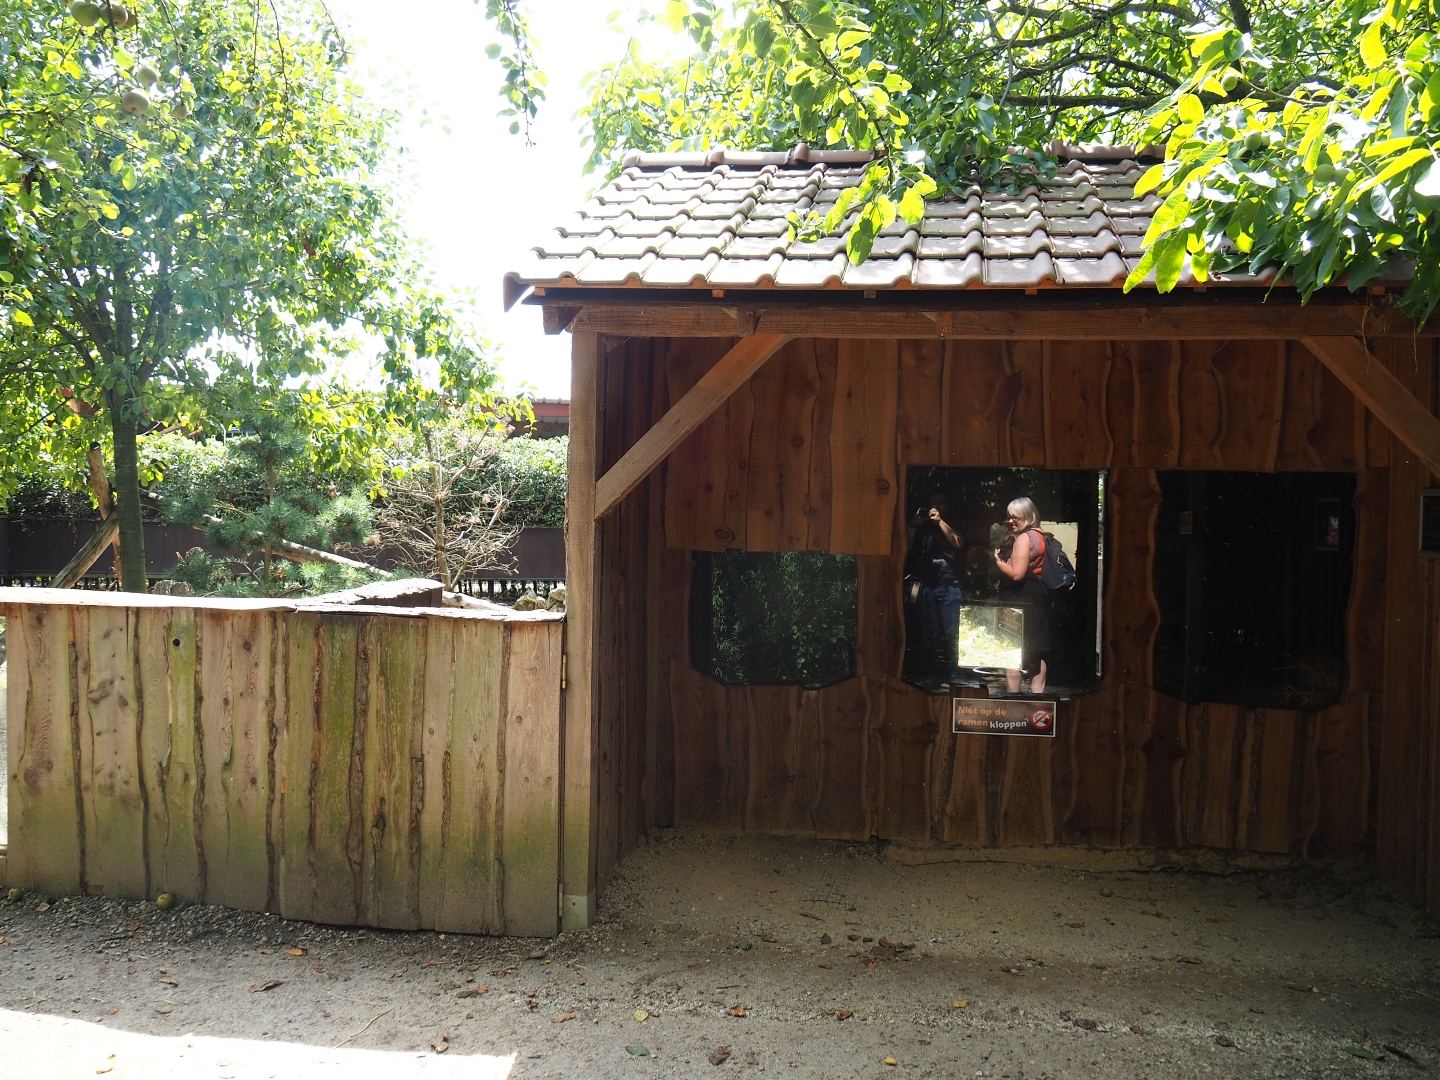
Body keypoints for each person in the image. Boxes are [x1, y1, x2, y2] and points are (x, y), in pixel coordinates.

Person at [905, 491, 964, 686]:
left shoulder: (952, 523)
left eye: (939, 504)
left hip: (950, 587)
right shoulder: (922, 527)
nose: (935, 508)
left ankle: (952, 675)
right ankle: (931, 673)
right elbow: (906, 545)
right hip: (928, 586)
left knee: (951, 634)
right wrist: (914, 524)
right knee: (928, 633)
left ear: (946, 506)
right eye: (932, 504)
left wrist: (939, 522)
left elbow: (957, 542)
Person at [993, 496, 1051, 694]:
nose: (1010, 522)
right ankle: (1038, 697)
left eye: (1015, 518)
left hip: (1020, 597)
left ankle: (1014, 697)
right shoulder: (1042, 535)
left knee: (1012, 649)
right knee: (1036, 651)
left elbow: (1017, 574)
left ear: (1027, 516)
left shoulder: (1024, 539)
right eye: (1009, 518)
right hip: (1036, 597)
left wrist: (999, 562)